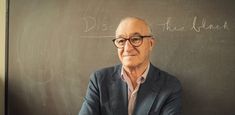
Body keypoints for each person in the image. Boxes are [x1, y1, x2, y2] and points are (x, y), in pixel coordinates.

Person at [79, 17, 182, 115]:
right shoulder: (99, 80)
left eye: (136, 39)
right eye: (121, 41)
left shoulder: (170, 85)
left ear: (150, 43)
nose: (127, 48)